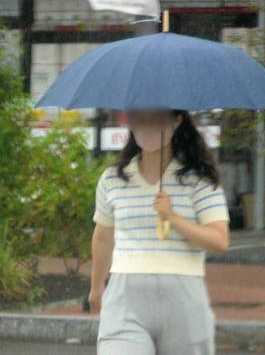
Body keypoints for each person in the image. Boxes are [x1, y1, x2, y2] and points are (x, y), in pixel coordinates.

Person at [89, 110, 230, 354]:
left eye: (156, 117)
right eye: (141, 117)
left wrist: (173, 218)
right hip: (125, 297)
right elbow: (103, 237)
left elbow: (219, 240)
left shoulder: (199, 180)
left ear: (177, 121)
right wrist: (96, 287)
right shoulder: (113, 179)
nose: (147, 124)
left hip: (183, 300)